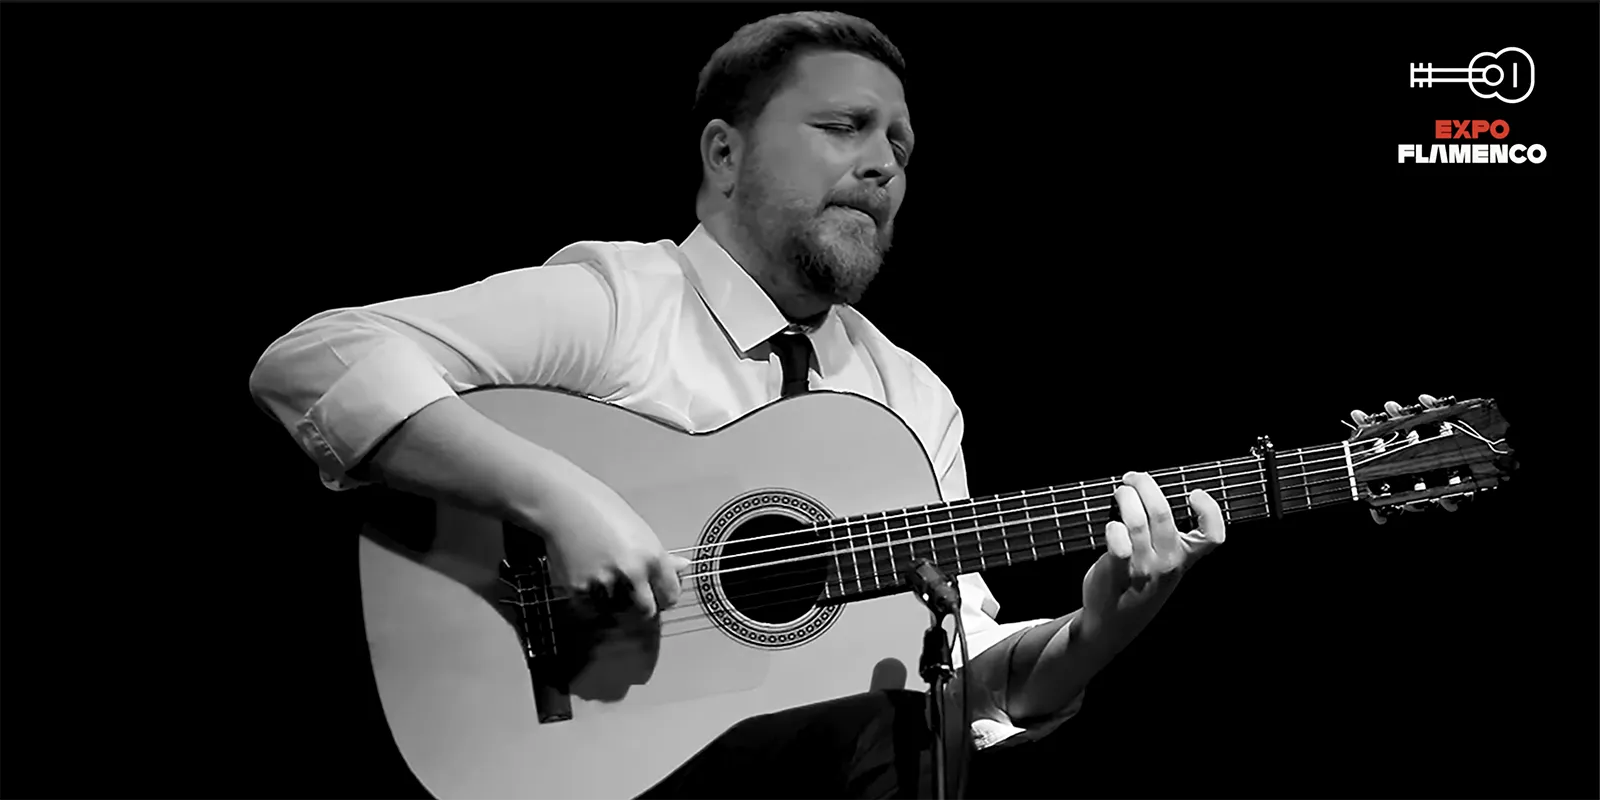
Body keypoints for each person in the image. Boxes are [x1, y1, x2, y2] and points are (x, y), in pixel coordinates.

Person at [248, 10, 1225, 800]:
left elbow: (951, 674)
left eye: (900, 142)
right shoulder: (622, 302)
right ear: (724, 154)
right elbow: (316, 357)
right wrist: (559, 501)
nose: (884, 163)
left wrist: (1097, 628)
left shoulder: (913, 398)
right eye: (843, 127)